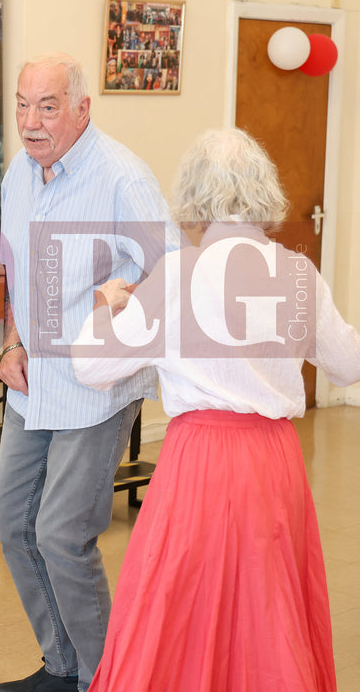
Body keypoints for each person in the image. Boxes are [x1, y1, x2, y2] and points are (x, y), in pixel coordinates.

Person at [72, 127, 360, 692]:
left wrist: (107, 305)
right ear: (263, 192)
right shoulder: (300, 274)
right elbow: (348, 364)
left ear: (194, 195)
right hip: (274, 461)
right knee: (266, 600)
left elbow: (92, 366)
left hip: (199, 460)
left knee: (181, 597)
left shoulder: (177, 275)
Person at [0, 53, 180, 692]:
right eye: (22, 104)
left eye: (47, 106)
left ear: (81, 109)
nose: (31, 121)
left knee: (62, 533)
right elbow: (15, 269)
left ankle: (107, 680)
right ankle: (62, 666)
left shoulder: (122, 177)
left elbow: (171, 271)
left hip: (97, 390)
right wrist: (11, 341)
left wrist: (119, 304)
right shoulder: (21, 171)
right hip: (31, 380)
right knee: (12, 522)